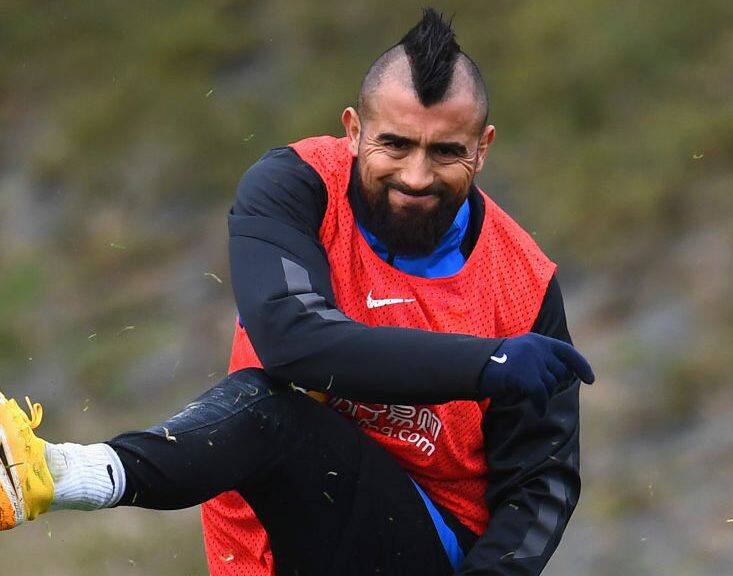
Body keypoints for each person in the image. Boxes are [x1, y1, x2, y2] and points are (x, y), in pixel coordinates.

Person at [0, 9, 594, 576]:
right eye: (396, 145)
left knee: (274, 407)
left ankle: (54, 474)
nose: (417, 176)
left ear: (482, 148)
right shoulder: (294, 188)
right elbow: (293, 340)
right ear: (354, 130)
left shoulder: (523, 283)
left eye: (446, 152)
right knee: (273, 396)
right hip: (256, 541)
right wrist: (485, 365)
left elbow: (542, 486)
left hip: (422, 545)